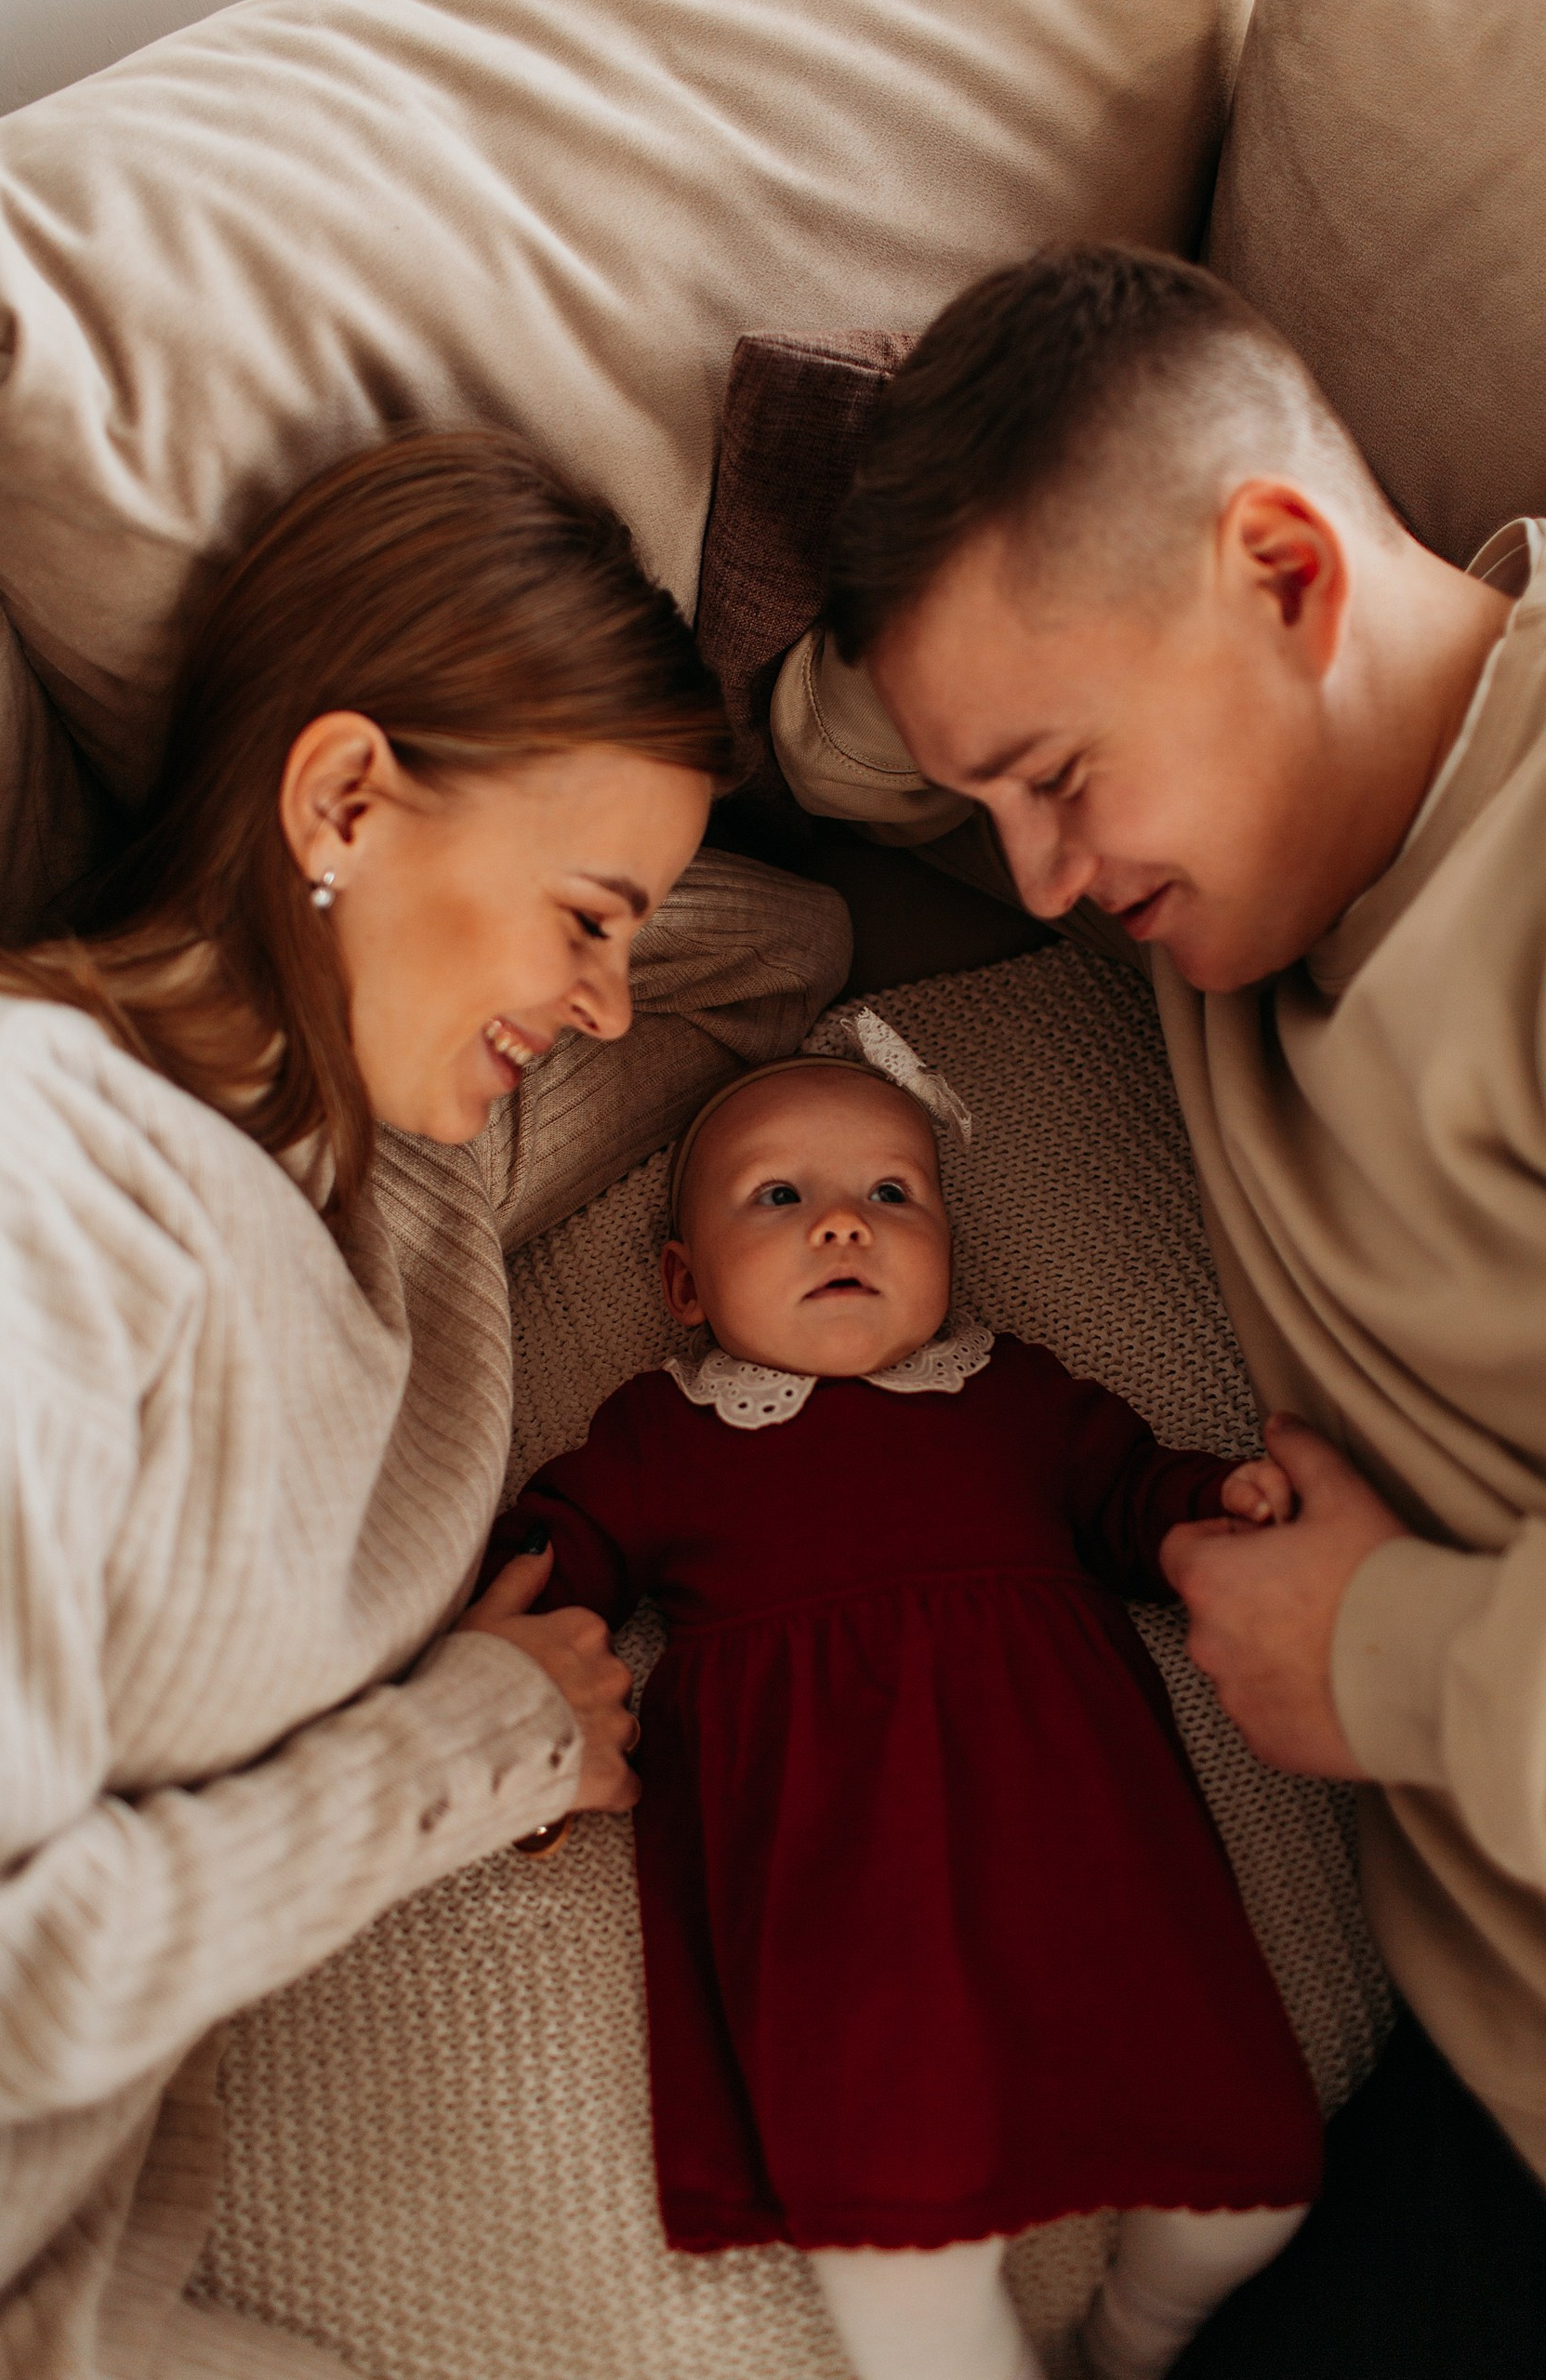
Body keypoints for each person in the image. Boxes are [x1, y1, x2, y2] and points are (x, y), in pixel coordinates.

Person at [0, 426, 850, 2380]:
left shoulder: (411, 1179)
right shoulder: (23, 1165)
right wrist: (477, 1745)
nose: (608, 1000)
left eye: (623, 930)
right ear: (346, 792)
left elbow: (787, 956)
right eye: (586, 918)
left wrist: (576, 864)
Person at [769, 244, 1546, 2372]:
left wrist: (1374, 1655)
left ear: (1284, 573)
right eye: (990, 801)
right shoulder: (1243, 838)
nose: (1030, 879)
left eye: (1056, 778)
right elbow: (837, 739)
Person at [484, 1034, 1322, 2380]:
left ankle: (1132, 2341)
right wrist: (492, 1646)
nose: (841, 1222)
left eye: (891, 1193)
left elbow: (1128, 1494)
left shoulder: (1014, 1396)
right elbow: (552, 1559)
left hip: (1078, 1839)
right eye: (779, 1196)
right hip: (840, 1873)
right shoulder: (665, 1437)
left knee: (1251, 2182)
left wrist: (1208, 1511)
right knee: (897, 2231)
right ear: (683, 1286)